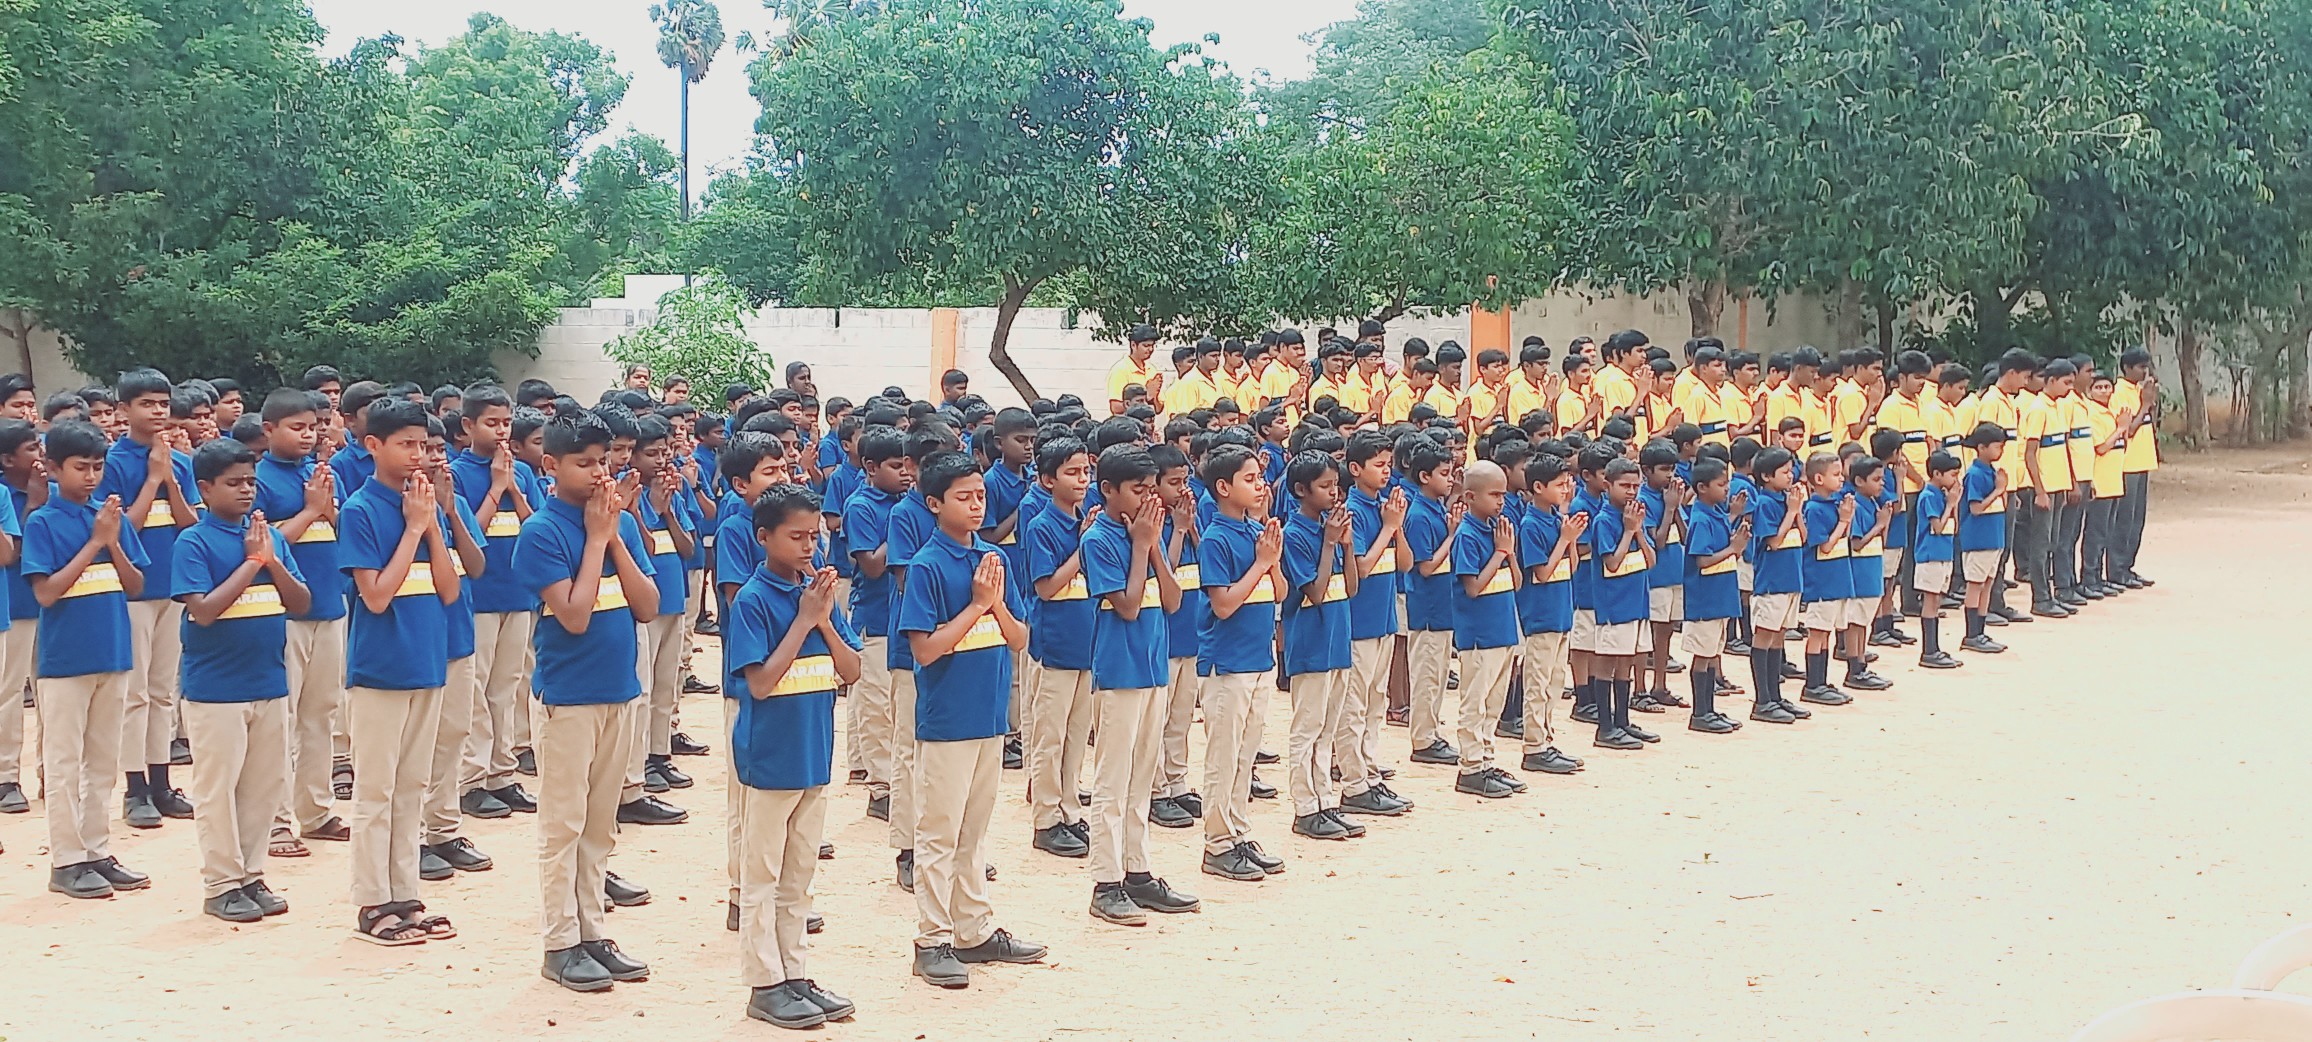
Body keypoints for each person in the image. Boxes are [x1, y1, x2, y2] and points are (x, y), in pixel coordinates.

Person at [514, 405, 661, 992]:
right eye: (584, 463)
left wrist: (615, 534)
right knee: (564, 825)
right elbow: (573, 616)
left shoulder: (613, 522)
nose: (600, 473)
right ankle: (560, 943)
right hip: (568, 698)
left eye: (603, 461)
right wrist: (598, 537)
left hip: (618, 691)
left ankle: (593, 932)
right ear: (551, 466)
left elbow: (647, 606)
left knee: (601, 824)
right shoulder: (542, 531)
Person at [898, 450, 1044, 988]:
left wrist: (994, 603)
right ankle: (931, 938)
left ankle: (973, 928)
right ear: (935, 503)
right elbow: (926, 650)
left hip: (988, 717)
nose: (977, 505)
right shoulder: (927, 565)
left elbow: (1020, 638)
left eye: (981, 495)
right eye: (964, 497)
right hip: (947, 721)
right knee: (939, 833)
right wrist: (977, 605)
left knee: (975, 831)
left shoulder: (992, 558)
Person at [724, 485, 861, 1028]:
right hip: (769, 758)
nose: (809, 546)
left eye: (814, 536)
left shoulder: (818, 596)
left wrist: (823, 618)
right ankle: (764, 982)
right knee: (761, 875)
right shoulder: (754, 600)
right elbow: (759, 684)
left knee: (799, 875)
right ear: (764, 537)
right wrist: (804, 621)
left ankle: (795, 973)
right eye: (796, 536)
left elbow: (851, 670)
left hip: (812, 754)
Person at [336, 398, 460, 944]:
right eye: (405, 445)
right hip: (381, 669)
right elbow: (377, 596)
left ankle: (405, 894)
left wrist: (430, 526)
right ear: (373, 446)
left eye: (423, 445)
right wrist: (412, 530)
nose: (417, 455)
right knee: (376, 791)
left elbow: (450, 590)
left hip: (427, 662)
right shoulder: (362, 509)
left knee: (412, 786)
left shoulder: (423, 503)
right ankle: (372, 902)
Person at [175, 437, 312, 921]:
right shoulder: (193, 541)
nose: (246, 490)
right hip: (216, 690)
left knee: (262, 787)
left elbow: (301, 602)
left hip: (268, 681)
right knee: (218, 790)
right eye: (233, 483)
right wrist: (253, 563)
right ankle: (221, 883)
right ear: (205, 488)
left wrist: (270, 559)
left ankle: (252, 875)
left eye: (250, 481)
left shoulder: (269, 538)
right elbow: (204, 611)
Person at [26, 420, 151, 899]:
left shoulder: (110, 518)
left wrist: (112, 539)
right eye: (81, 467)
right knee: (64, 763)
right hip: (65, 662)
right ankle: (66, 860)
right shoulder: (42, 522)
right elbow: (47, 593)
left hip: (112, 654)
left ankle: (97, 850)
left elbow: (136, 585)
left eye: (98, 467)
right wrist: (96, 542)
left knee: (103, 761)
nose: (91, 477)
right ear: (54, 468)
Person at [1078, 444, 1199, 924]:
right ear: (1108, 490)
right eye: (1137, 489)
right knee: (1113, 779)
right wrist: (1141, 546)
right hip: (1119, 671)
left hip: (1152, 668)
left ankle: (1138, 870)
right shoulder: (1100, 539)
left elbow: (1171, 600)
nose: (1149, 499)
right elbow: (1127, 606)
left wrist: (1151, 545)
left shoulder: (1147, 531)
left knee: (1143, 775)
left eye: (1152, 489)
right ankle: (1105, 881)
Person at [252, 391, 350, 856]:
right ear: (269, 430)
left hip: (330, 607)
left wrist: (328, 509)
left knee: (321, 714)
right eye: (296, 428)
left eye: (312, 427)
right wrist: (310, 511)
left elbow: (345, 530)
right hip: (285, 613)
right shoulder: (257, 480)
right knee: (281, 719)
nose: (307, 435)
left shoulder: (323, 474)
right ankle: (274, 820)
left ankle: (316, 810)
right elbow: (262, 547)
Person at [102, 368, 200, 829]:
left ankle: (161, 781)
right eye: (147, 404)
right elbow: (123, 529)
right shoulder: (112, 462)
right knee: (135, 692)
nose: (158, 411)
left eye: (163, 403)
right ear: (124, 410)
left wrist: (170, 479)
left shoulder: (180, 461)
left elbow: (190, 525)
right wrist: (151, 479)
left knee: (164, 690)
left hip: (173, 586)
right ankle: (134, 786)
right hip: (134, 590)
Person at [449, 384, 543, 822]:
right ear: (469, 425)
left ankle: (502, 773)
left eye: (507, 423)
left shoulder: (522, 471)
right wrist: (495, 487)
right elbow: (469, 534)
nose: (502, 431)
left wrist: (514, 487)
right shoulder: (457, 473)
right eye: (492, 423)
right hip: (480, 597)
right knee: (476, 690)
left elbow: (536, 527)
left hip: (518, 593)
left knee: (507, 687)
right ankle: (472, 779)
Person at [1193, 445, 1287, 881]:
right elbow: (1225, 604)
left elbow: (1280, 591)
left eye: (1260, 478)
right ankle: (1217, 843)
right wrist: (1262, 562)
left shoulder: (1256, 530)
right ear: (1223, 487)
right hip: (1227, 663)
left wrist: (1272, 560)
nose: (1260, 485)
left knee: (1246, 755)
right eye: (1249, 479)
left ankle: (1238, 831)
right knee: (1223, 757)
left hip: (1258, 660)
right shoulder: (1216, 537)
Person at [1023, 436, 1097, 859]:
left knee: (1076, 733)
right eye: (1072, 472)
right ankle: (1046, 818)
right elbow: (1047, 587)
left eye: (1086, 471)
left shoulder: (1087, 520)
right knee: (1049, 736)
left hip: (1086, 645)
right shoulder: (1041, 526)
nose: (1082, 480)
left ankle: (1070, 807)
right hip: (1054, 646)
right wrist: (1083, 546)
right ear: (1048, 480)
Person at [1337, 431, 1413, 814]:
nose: (1386, 472)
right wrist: (1387, 527)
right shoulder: (1353, 511)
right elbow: (1362, 567)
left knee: (1374, 702)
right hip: (1359, 625)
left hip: (1384, 621)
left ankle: (1369, 771)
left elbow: (1405, 563)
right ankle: (1353, 783)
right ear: (1355, 468)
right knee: (1354, 706)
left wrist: (1397, 526)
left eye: (1389, 465)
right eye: (1378, 465)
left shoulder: (1385, 509)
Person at [843, 426, 912, 819]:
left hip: (900, 617)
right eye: (895, 466)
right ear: (871, 467)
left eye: (907, 465)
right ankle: (881, 788)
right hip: (874, 616)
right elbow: (870, 565)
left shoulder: (905, 502)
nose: (904, 473)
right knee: (876, 706)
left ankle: (895, 782)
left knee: (895, 706)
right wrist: (898, 530)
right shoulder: (861, 506)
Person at [628, 415, 697, 798]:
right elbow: (647, 549)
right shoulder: (631, 495)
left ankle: (659, 753)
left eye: (665, 452)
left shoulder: (675, 493)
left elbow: (687, 547)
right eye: (651, 454)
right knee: (644, 685)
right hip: (648, 605)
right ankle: (638, 761)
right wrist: (649, 508)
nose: (661, 460)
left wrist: (668, 511)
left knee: (666, 685)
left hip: (675, 599)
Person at [1448, 460, 1525, 798]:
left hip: (1503, 630)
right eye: (1494, 495)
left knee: (1494, 704)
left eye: (1503, 495)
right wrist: (1500, 552)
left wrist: (1509, 553)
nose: (1500, 502)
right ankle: (1470, 768)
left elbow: (1517, 582)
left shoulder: (1498, 530)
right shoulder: (1467, 535)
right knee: (1475, 704)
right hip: (1479, 635)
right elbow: (1473, 587)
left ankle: (1487, 761)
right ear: (1469, 497)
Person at [1513, 453, 1586, 772]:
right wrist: (1565, 539)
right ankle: (1533, 746)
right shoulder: (1530, 525)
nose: (1565, 489)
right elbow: (1542, 573)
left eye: (1567, 483)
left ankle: (1546, 739)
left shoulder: (1557, 519)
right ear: (1538, 487)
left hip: (1560, 614)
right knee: (1538, 683)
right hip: (1540, 617)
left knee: (1555, 682)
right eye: (1559, 485)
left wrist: (1570, 538)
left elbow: (1572, 566)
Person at [1145, 444, 1206, 828]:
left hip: (1191, 633)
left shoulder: (1187, 516)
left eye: (1185, 481)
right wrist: (1179, 530)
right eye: (1174, 483)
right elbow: (1164, 567)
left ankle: (1177, 780)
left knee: (1182, 716)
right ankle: (1156, 790)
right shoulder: (1151, 523)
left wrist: (1192, 525)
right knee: (1159, 718)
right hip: (1165, 636)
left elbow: (1205, 560)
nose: (1182, 490)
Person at [1397, 434, 1462, 764]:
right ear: (1424, 476)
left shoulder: (1436, 507)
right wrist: (1451, 536)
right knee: (1425, 676)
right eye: (1444, 474)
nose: (1450, 480)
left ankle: (1432, 732)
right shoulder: (1419, 515)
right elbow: (1425, 566)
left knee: (1437, 676)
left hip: (1442, 607)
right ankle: (1423, 739)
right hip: (1426, 609)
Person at [1588, 456, 1656, 749]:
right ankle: (1605, 728)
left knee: (1626, 662)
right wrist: (1628, 531)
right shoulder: (1604, 521)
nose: (1631, 492)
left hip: (1637, 603)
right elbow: (1613, 563)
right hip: (1614, 606)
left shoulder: (1636, 516)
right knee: (1608, 663)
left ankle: (1623, 721)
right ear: (1608, 486)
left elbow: (1651, 561)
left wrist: (1638, 530)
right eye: (1624, 486)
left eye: (1635, 486)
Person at [1679, 457, 1747, 733]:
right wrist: (1733, 548)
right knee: (1702, 656)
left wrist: (1735, 535)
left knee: (1711, 655)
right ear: (1702, 488)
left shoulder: (1716, 514)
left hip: (1719, 597)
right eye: (1721, 484)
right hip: (1704, 601)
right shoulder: (1700, 519)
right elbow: (1703, 560)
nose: (1727, 488)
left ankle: (1709, 709)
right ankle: (1700, 713)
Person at [1744, 447, 1807, 723]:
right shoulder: (1765, 503)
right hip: (1771, 582)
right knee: (1764, 637)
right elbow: (1774, 541)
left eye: (1791, 470)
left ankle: (1776, 696)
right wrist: (1791, 511)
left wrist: (1797, 510)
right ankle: (1763, 700)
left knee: (1779, 637)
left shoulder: (1787, 499)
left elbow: (1803, 536)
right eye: (1784, 472)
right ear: (1767, 476)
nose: (1790, 476)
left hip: (1791, 579)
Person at [1956, 424, 2013, 654]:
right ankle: (1971, 634)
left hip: (1994, 537)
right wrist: (1998, 491)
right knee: (1975, 585)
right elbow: (1976, 508)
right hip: (1979, 538)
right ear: (1981, 447)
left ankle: (1980, 630)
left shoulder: (1992, 471)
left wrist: (2003, 491)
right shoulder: (1975, 474)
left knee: (1987, 584)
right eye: (1997, 446)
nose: (2001, 451)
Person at [1911, 450, 1966, 668]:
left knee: (1937, 601)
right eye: (1952, 474)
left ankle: (1935, 648)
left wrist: (1954, 503)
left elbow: (1955, 527)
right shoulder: (1928, 496)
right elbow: (1938, 527)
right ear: (1937, 473)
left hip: (1944, 553)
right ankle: (1929, 650)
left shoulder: (1943, 494)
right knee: (1930, 601)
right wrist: (1950, 504)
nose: (1955, 479)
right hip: (1930, 555)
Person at [2111, 348, 2158, 587]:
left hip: (2143, 461)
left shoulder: (2139, 391)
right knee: (2124, 519)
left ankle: (2128, 566)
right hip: (2127, 464)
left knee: (2137, 518)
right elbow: (2128, 430)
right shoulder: (2120, 393)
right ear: (2127, 368)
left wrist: (2148, 402)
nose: (2144, 372)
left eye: (2146, 367)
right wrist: (2145, 405)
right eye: (2140, 367)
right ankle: (2116, 569)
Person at [1108, 325, 1163, 416]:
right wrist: (1146, 396)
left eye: (1152, 345)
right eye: (1146, 346)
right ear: (1133, 345)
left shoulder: (1151, 370)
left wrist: (1154, 398)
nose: (1150, 349)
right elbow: (1115, 407)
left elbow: (1159, 409)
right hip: (1127, 423)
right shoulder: (1120, 370)